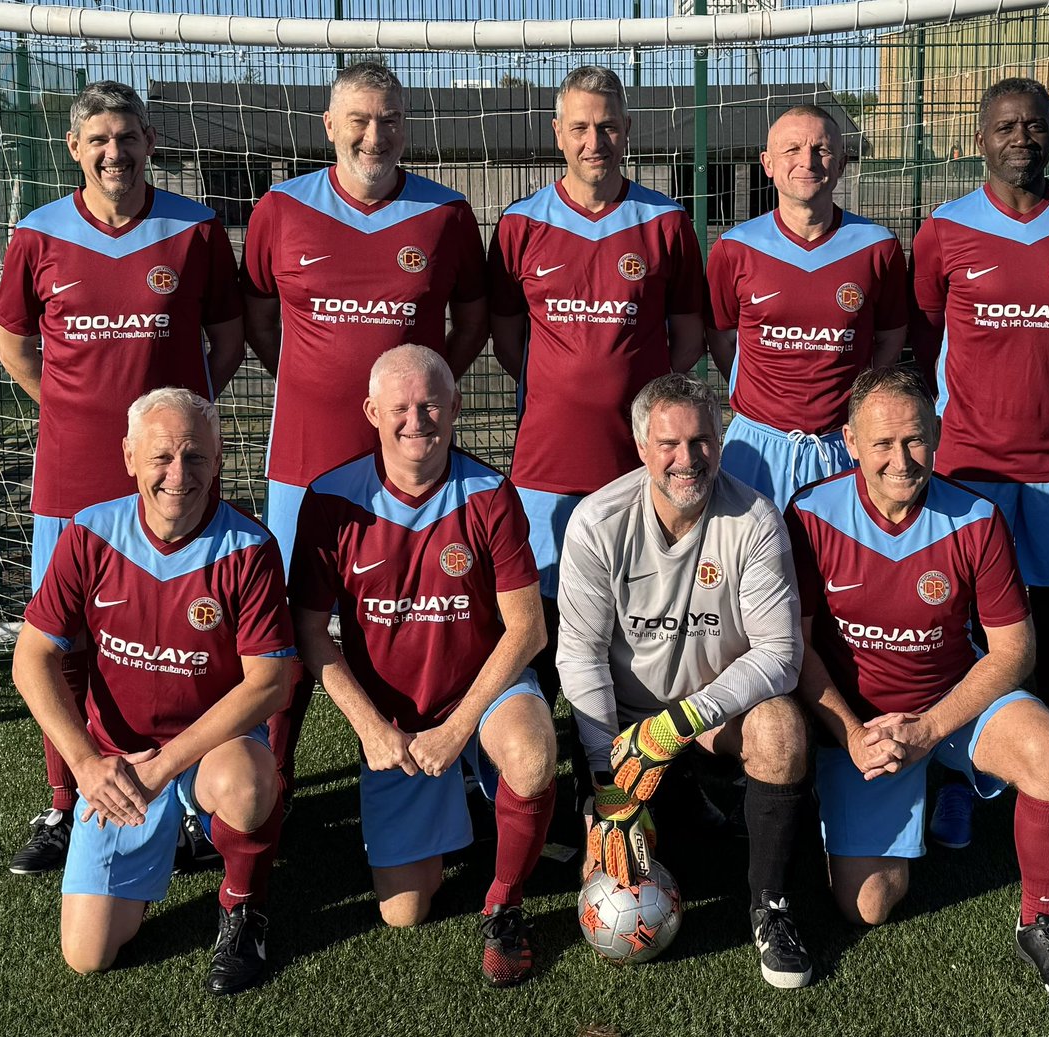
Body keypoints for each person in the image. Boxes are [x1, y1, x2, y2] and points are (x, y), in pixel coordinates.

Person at [786, 366, 1049, 1007]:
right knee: (867, 906)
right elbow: (797, 647)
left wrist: (929, 729)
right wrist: (849, 736)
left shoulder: (976, 518)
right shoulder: (810, 514)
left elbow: (1015, 650)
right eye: (881, 443)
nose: (901, 460)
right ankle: (903, 799)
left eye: (914, 440)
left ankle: (1041, 921)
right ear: (849, 442)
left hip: (947, 713)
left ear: (935, 433)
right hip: (864, 730)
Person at [0, 80, 245, 875]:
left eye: (128, 136)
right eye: (99, 138)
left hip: (174, 482)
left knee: (192, 636)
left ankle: (198, 806)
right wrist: (75, 413)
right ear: (74, 149)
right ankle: (65, 800)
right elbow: (16, 347)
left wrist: (174, 438)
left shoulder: (196, 229)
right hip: (70, 481)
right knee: (64, 645)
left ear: (150, 141)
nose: (115, 152)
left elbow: (227, 341)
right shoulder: (36, 236)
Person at [240, 61, 489, 800]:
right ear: (330, 125)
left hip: (410, 467)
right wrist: (308, 381)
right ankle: (273, 778)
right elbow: (257, 312)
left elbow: (472, 319)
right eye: (359, 119)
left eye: (388, 120)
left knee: (434, 617)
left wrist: (427, 391)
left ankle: (451, 767)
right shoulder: (280, 208)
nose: (373, 135)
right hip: (306, 461)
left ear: (407, 127)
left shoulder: (446, 215)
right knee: (287, 628)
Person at [11, 388, 295, 995]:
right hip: (119, 763)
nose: (178, 474)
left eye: (195, 457)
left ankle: (244, 908)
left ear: (219, 461)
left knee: (247, 786)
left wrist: (167, 766)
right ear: (129, 457)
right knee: (88, 955)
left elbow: (270, 682)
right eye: (162, 456)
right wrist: (87, 765)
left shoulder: (250, 546)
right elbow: (31, 657)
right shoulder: (92, 533)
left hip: (205, 751)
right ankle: (172, 836)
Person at [289, 345, 556, 988]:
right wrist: (372, 729)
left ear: (457, 406)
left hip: (479, 693)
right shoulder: (331, 497)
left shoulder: (490, 493)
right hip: (396, 719)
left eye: (431, 403)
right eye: (400, 407)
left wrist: (457, 728)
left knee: (532, 751)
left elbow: (527, 628)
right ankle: (462, 797)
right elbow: (307, 630)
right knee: (405, 912)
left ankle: (505, 901)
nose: (417, 420)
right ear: (371, 411)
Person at [910, 78, 1049, 853]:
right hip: (969, 465)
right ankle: (971, 781)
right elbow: (925, 334)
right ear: (981, 139)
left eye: (1034, 124)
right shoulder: (943, 230)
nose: (1021, 137)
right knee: (964, 631)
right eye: (1005, 126)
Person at [558, 373, 812, 989]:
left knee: (781, 731)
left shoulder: (754, 518)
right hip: (625, 722)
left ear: (720, 443)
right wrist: (606, 782)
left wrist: (683, 721)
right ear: (641, 446)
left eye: (701, 441)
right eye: (668, 443)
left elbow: (781, 652)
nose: (686, 458)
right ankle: (648, 804)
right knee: (620, 824)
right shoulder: (597, 521)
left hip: (709, 718)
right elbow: (581, 655)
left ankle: (769, 906)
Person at [488, 64, 706, 707]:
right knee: (550, 618)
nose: (595, 141)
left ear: (627, 131)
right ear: (557, 132)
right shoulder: (520, 225)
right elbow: (507, 339)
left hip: (639, 463)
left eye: (607, 126)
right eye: (580, 127)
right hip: (545, 462)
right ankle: (549, 763)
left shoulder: (665, 223)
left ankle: (639, 770)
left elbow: (687, 336)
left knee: (640, 612)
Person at [707, 104, 908, 514]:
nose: (807, 161)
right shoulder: (734, 248)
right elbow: (722, 337)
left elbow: (890, 339)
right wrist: (766, 399)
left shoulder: (878, 247)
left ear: (842, 163)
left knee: (836, 574)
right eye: (792, 149)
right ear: (767, 163)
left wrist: (858, 405)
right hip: (757, 445)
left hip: (842, 444)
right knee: (749, 571)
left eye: (822, 149)